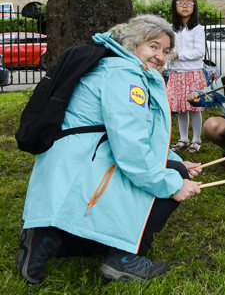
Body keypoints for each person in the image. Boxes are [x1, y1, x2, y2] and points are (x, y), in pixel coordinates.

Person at [17, 15, 203, 284]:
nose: (160, 56)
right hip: (86, 166)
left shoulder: (116, 67)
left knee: (174, 168)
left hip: (79, 162)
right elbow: (130, 150)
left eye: (165, 50)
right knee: (171, 175)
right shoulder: (125, 76)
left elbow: (141, 134)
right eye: (153, 46)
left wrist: (175, 159)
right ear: (132, 43)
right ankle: (125, 257)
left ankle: (49, 239)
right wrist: (172, 183)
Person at [167, 0, 206, 152]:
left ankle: (196, 140)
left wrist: (178, 55)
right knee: (181, 109)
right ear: (175, 5)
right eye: (180, 2)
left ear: (194, 6)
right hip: (176, 74)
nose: (185, 5)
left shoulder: (197, 29)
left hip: (192, 74)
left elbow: (199, 52)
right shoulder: (170, 29)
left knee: (194, 108)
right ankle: (183, 139)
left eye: (189, 2)